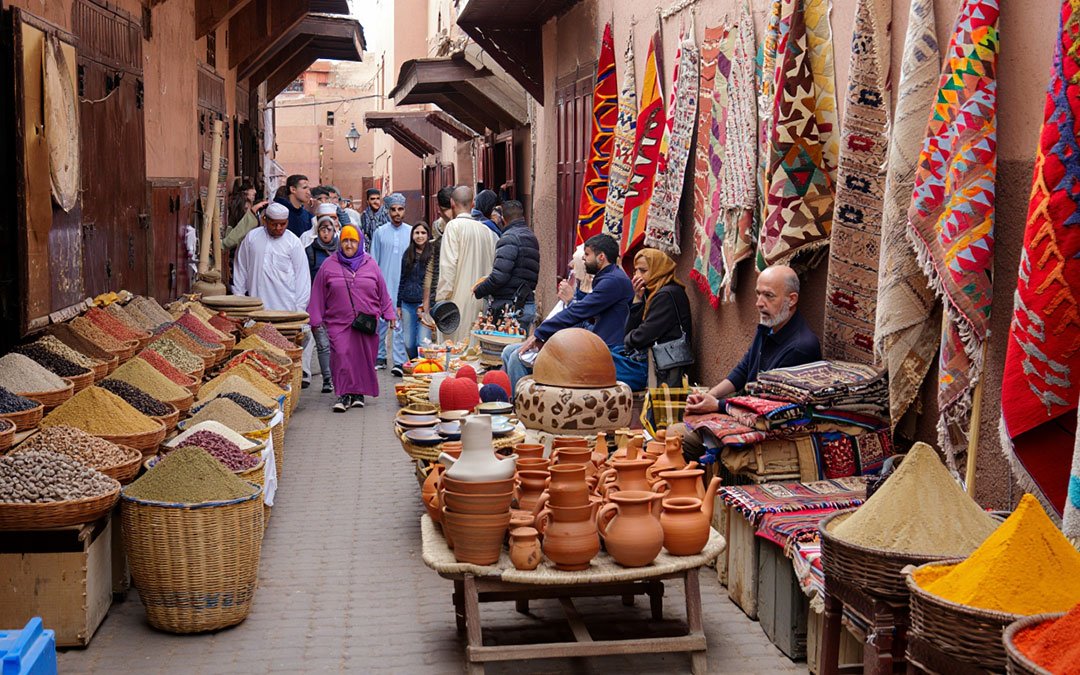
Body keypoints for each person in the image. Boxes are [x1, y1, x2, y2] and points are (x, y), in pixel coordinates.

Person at [671, 264, 822, 462]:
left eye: (769, 296)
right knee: (673, 433)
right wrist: (709, 396)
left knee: (677, 438)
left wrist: (717, 405)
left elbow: (770, 406)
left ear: (791, 299)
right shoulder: (769, 326)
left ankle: (692, 487)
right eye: (758, 294)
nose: (759, 303)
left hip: (767, 429)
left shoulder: (801, 346)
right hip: (743, 413)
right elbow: (743, 370)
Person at [502, 234, 633, 394]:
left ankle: (523, 407)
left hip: (605, 349)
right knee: (509, 351)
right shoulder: (604, 279)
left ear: (601, 257)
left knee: (518, 356)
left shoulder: (613, 281)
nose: (583, 260)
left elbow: (578, 312)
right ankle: (516, 402)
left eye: (587, 255)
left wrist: (540, 334)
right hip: (589, 342)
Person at [308, 225, 396, 412]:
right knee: (341, 356)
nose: (349, 245)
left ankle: (358, 393)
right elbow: (317, 293)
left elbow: (382, 291)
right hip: (338, 322)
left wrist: (389, 314)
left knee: (362, 359)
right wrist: (315, 319)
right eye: (345, 240)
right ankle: (344, 394)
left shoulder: (370, 264)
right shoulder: (329, 265)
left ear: (360, 243)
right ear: (340, 242)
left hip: (366, 322)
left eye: (353, 241)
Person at [619, 248, 693, 389]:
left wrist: (628, 339)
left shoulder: (666, 295)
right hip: (662, 364)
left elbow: (644, 334)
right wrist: (637, 298)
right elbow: (632, 330)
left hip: (667, 366)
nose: (637, 276)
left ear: (658, 269)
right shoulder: (652, 292)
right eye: (636, 271)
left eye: (643, 271)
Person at [437, 186, 497, 343]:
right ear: (473, 204)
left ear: (452, 203)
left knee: (454, 353)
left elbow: (448, 267)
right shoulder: (488, 232)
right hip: (482, 303)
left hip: (456, 304)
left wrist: (441, 300)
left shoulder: (453, 227)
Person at [472, 200, 540, 331]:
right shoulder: (531, 236)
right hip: (526, 303)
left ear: (503, 219)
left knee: (502, 349)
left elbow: (499, 276)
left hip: (509, 307)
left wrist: (479, 290)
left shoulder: (509, 238)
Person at [231, 202, 311, 314]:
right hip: (256, 308)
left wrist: (299, 310)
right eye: (274, 224)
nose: (278, 228)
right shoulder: (252, 238)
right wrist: (239, 298)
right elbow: (241, 268)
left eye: (282, 224)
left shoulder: (294, 242)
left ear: (287, 222)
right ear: (265, 220)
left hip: (286, 309)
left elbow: (302, 277)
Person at [371, 193, 412, 375]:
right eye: (393, 210)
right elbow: (373, 261)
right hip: (383, 285)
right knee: (380, 323)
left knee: (399, 324)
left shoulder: (412, 232)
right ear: (387, 211)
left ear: (404, 210)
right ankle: (379, 356)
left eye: (400, 209)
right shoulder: (380, 233)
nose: (397, 213)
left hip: (403, 287)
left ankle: (399, 361)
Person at [304, 217, 339, 393]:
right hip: (317, 304)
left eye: (329, 229)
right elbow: (305, 279)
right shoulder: (309, 251)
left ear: (334, 231)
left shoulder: (341, 249)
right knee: (323, 344)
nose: (326, 232)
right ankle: (327, 379)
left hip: (338, 306)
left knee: (338, 344)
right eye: (322, 229)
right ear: (317, 232)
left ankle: (338, 376)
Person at [397, 222, 435, 360]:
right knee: (408, 343)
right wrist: (398, 304)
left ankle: (423, 369)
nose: (420, 236)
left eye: (423, 233)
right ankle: (416, 365)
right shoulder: (408, 253)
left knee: (423, 342)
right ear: (412, 235)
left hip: (425, 305)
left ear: (428, 234)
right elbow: (402, 279)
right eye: (417, 233)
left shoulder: (432, 254)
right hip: (407, 303)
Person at [224, 186, 268, 251]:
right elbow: (229, 242)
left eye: (249, 208)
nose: (248, 212)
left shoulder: (253, 225)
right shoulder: (233, 228)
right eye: (245, 209)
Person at [275, 174, 314, 239]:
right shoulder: (279, 211)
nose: (308, 192)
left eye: (309, 189)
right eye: (304, 188)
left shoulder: (306, 215)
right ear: (293, 189)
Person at [359, 188, 389, 253]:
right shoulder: (364, 215)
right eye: (372, 199)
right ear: (367, 201)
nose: (376, 201)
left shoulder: (387, 214)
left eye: (378, 198)